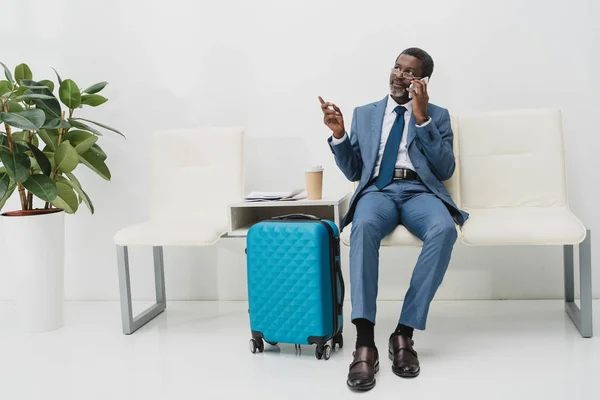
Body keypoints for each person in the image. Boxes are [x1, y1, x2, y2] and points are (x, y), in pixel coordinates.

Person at [318, 47, 469, 391]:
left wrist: (421, 118)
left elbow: (445, 169)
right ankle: (365, 342)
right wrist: (340, 135)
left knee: (445, 229)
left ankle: (404, 334)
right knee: (364, 227)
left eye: (408, 72)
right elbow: (355, 170)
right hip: (377, 192)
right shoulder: (365, 113)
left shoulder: (438, 115)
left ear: (422, 81)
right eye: (397, 68)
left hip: (420, 192)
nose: (398, 76)